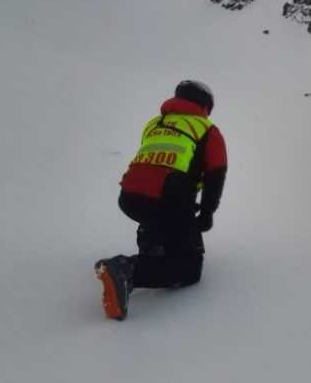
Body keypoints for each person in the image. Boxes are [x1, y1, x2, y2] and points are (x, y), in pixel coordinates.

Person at [94, 80, 228, 320]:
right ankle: (128, 270)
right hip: (169, 201)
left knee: (160, 222)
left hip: (129, 198)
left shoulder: (154, 124)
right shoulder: (208, 130)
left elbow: (153, 166)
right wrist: (206, 213)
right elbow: (216, 174)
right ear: (205, 105)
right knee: (189, 268)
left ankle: (152, 247)